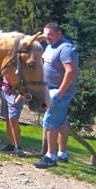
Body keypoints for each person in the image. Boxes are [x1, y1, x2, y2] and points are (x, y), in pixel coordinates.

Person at [34, 21, 79, 169]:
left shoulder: (65, 48)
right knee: (61, 122)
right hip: (50, 89)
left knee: (50, 122)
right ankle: (62, 153)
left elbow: (71, 71)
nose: (47, 37)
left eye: (50, 35)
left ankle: (50, 156)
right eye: (46, 34)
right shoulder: (51, 45)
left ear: (59, 33)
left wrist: (59, 92)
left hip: (58, 92)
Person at [0, 75, 24, 155]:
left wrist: (20, 96)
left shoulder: (22, 64)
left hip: (15, 94)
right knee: (8, 119)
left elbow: (28, 80)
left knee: (13, 119)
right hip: (5, 91)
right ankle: (11, 144)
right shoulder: (10, 63)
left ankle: (18, 147)